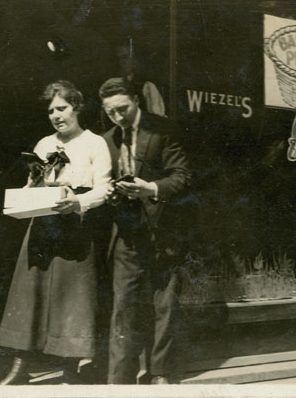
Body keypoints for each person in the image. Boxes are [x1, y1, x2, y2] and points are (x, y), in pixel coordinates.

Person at [0, 80, 112, 384]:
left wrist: (78, 202)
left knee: (73, 299)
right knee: (28, 294)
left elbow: (105, 188)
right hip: (43, 226)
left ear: (77, 107)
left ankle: (70, 371)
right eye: (51, 110)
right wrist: (28, 191)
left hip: (75, 227)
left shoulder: (94, 143)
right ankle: (20, 368)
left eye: (61, 108)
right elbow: (31, 184)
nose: (56, 115)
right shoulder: (44, 145)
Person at [99, 77, 191, 384]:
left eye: (123, 108)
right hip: (127, 234)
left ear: (136, 101)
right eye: (111, 112)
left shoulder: (164, 129)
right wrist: (110, 194)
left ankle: (161, 374)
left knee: (165, 304)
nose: (118, 117)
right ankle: (119, 380)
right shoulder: (107, 139)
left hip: (164, 230)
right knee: (123, 307)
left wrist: (150, 188)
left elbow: (182, 177)